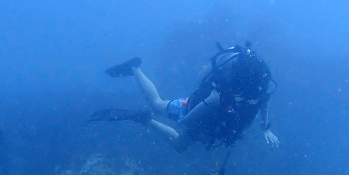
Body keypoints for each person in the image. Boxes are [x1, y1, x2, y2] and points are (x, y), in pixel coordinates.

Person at [90, 43, 279, 157]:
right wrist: (187, 124)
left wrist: (266, 128)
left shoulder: (258, 91)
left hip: (210, 125)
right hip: (195, 114)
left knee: (178, 141)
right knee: (158, 107)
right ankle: (134, 69)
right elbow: (200, 110)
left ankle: (143, 117)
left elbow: (264, 101)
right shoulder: (224, 93)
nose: (256, 100)